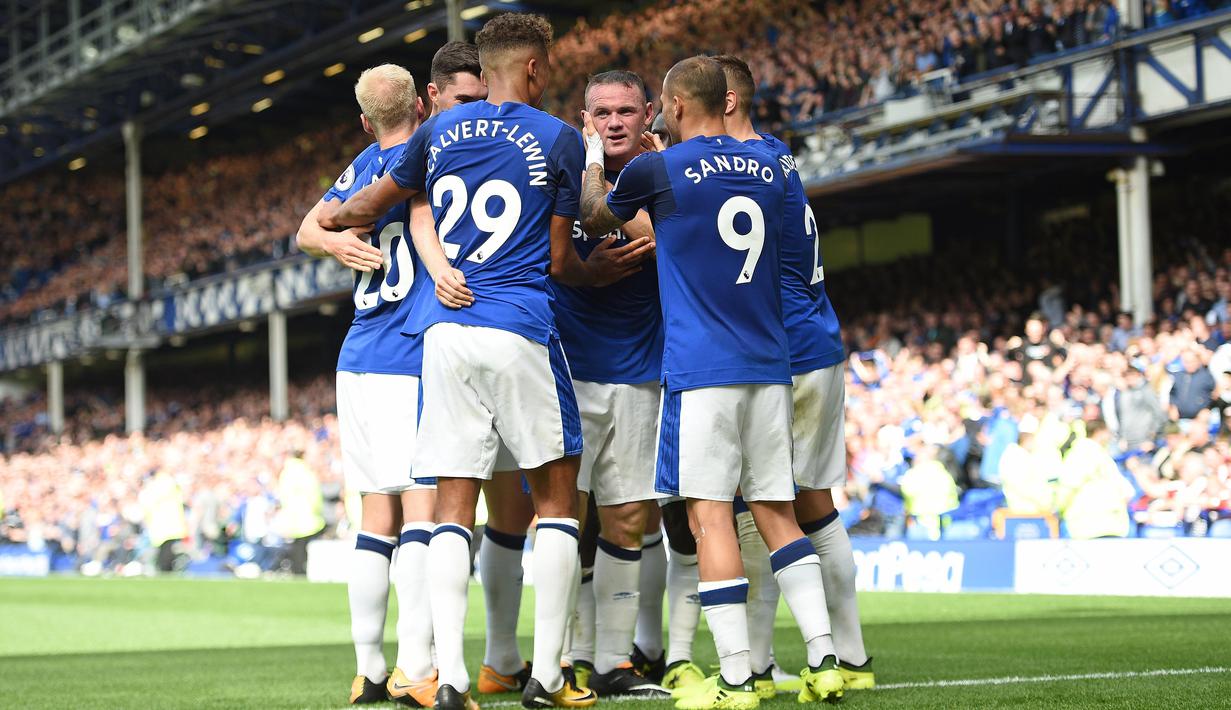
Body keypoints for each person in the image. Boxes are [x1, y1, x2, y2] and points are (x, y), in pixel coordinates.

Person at [319, 13, 645, 710]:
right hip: (519, 326)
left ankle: (449, 680)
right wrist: (598, 272)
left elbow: (369, 204)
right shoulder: (556, 136)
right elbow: (560, 258)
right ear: (532, 68)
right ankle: (548, 677)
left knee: (450, 508)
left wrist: (335, 225)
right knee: (556, 502)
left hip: (442, 336)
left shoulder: (436, 132)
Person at [580, 55, 845, 708]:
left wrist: (592, 157)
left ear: (671, 106)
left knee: (709, 519)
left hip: (702, 371)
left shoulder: (657, 169)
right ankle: (825, 660)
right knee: (777, 513)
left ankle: (736, 679)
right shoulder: (771, 165)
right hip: (770, 365)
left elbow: (596, 215)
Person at [714, 53, 873, 695]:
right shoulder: (777, 157)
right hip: (817, 342)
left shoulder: (736, 171)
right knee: (815, 507)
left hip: (778, 355)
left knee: (760, 509)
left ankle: (760, 664)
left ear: (725, 101)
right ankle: (851, 657)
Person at [295, 63, 436, 706]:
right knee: (424, 515)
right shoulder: (431, 155)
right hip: (409, 353)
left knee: (375, 516)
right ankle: (416, 667)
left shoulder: (361, 166)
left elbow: (306, 229)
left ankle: (369, 670)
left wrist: (334, 246)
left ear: (363, 121)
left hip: (357, 357)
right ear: (422, 105)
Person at [553, 69, 669, 699]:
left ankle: (613, 662)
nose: (615, 121)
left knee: (626, 518)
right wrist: (583, 270)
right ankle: (565, 657)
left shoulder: (665, 175)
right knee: (563, 521)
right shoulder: (559, 170)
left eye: (626, 111)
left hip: (638, 373)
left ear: (648, 114)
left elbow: (668, 242)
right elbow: (541, 260)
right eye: (602, 113)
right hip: (566, 372)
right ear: (585, 119)